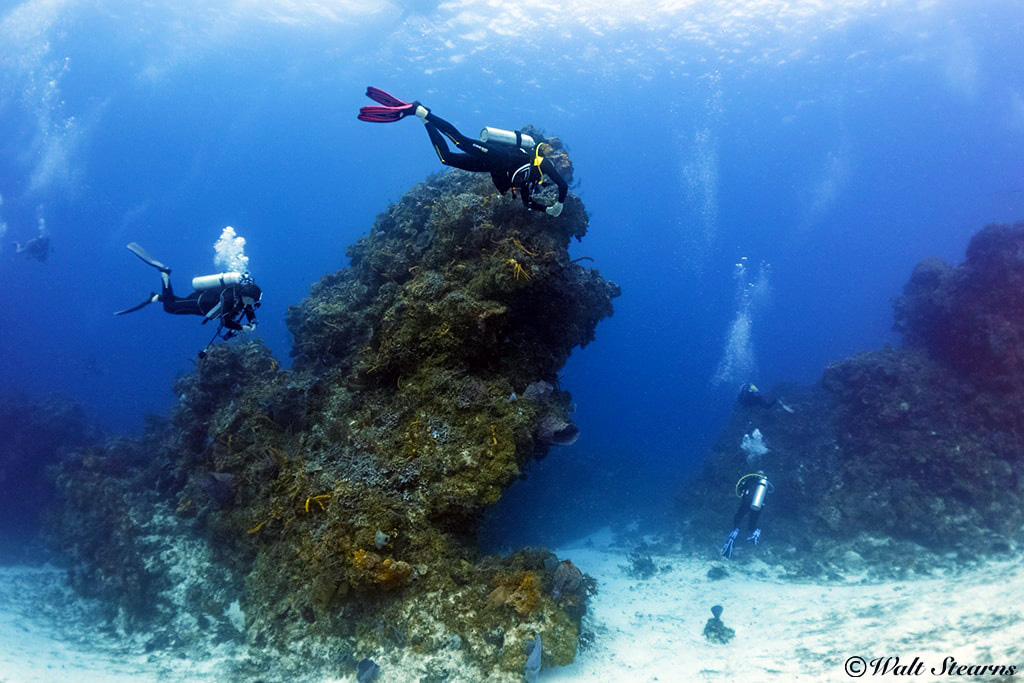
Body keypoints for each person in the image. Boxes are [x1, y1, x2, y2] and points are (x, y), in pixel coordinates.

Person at [358, 86, 569, 216]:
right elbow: (562, 184)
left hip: (489, 165)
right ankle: (419, 110)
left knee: (446, 158)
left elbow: (528, 203)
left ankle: (423, 119)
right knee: (460, 142)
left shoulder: (527, 185)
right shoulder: (541, 163)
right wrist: (560, 202)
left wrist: (548, 210)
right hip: (498, 155)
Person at [115, 243, 261, 348]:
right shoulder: (231, 299)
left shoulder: (242, 296)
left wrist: (253, 322)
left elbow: (248, 309)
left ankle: (157, 298)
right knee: (171, 307)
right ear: (247, 296)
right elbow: (225, 322)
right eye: (254, 301)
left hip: (203, 299)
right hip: (201, 304)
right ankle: (164, 274)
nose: (254, 304)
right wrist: (242, 328)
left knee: (177, 302)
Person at [721, 471, 772, 559]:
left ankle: (735, 530)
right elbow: (767, 497)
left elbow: (740, 490)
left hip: (746, 503)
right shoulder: (765, 484)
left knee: (739, 516)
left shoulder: (750, 479)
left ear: (756, 474)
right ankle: (755, 533)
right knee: (753, 520)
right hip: (758, 506)